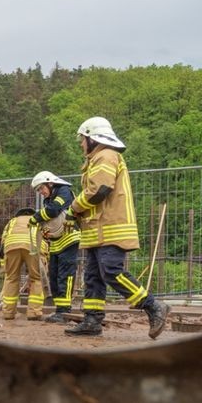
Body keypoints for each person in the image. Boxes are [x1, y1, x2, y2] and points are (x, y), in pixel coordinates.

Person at [64, 117, 170, 339]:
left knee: (111, 271)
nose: (81, 145)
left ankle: (153, 306)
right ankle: (92, 320)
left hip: (111, 227)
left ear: (92, 138)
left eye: (82, 140)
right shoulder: (98, 158)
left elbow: (99, 189)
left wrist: (73, 208)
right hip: (97, 230)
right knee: (93, 277)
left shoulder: (106, 155)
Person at [30, 171, 78, 323]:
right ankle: (60, 310)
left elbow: (53, 210)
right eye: (38, 190)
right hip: (56, 241)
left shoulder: (63, 191)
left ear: (50, 183)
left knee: (65, 274)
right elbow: (49, 219)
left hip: (69, 238)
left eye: (41, 188)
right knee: (54, 276)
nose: (41, 193)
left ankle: (64, 311)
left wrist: (36, 217)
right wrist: (45, 231)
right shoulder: (48, 199)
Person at [0, 208, 44, 321]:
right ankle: (34, 312)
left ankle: (8, 313)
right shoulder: (38, 220)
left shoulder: (12, 222)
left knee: (11, 278)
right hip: (32, 246)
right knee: (36, 278)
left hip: (11, 246)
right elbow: (45, 239)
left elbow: (3, 242)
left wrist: (4, 265)